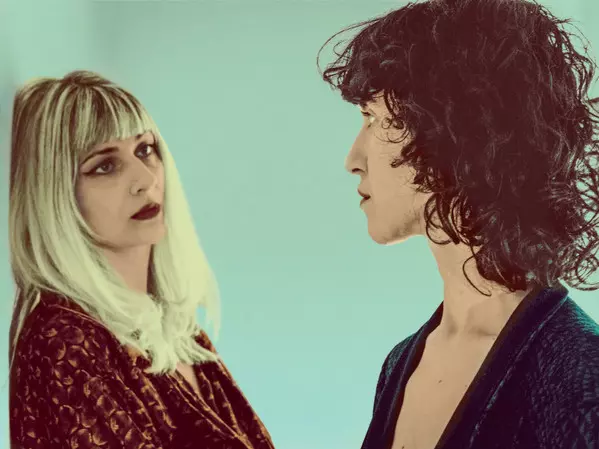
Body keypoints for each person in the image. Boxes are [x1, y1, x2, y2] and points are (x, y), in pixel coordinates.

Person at [317, 0, 599, 447]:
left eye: (373, 118)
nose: (353, 159)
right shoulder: (401, 363)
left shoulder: (580, 380)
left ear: (455, 131)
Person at [8, 70, 274, 449]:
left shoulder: (181, 333)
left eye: (145, 149)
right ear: (57, 195)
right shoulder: (65, 344)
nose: (145, 179)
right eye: (104, 165)